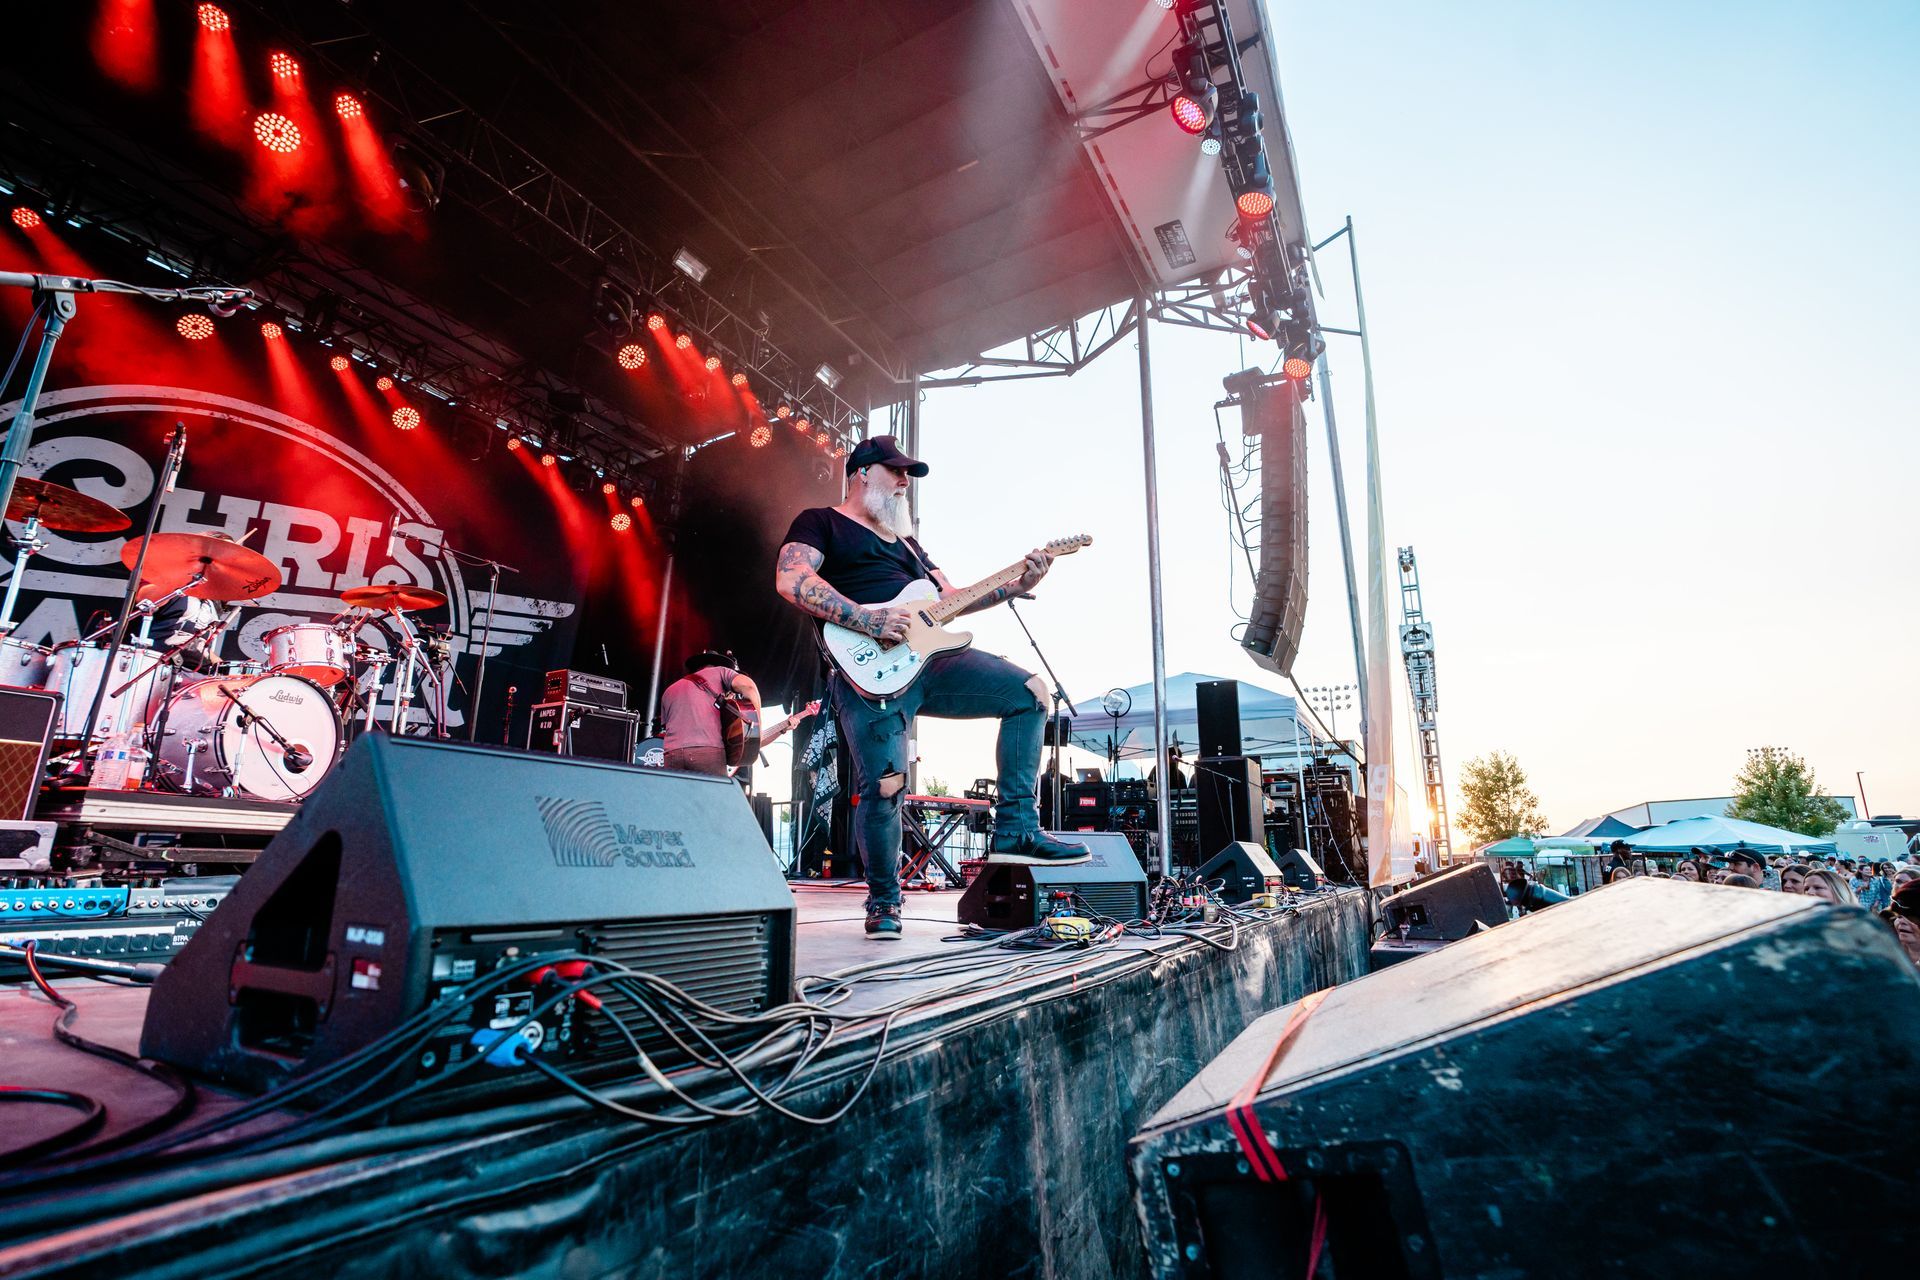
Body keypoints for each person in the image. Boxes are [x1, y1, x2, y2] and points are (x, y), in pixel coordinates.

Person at [774, 435, 1088, 940]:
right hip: (867, 672)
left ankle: (1016, 829)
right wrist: (866, 620)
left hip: (931, 663)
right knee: (884, 787)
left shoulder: (909, 547)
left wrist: (1021, 582)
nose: (904, 483)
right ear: (862, 473)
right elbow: (792, 580)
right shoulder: (821, 522)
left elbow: (953, 600)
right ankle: (883, 901)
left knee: (1029, 693)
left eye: (908, 476)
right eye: (896, 472)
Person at [658, 650, 814, 777]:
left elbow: (750, 743)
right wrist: (757, 724)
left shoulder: (669, 691)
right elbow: (750, 687)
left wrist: (782, 728)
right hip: (706, 754)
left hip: (672, 755)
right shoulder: (719, 672)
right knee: (713, 811)